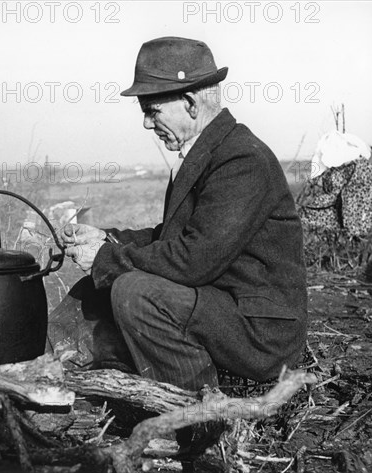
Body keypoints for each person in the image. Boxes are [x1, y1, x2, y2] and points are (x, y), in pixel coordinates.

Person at [61, 37, 308, 394]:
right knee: (93, 289)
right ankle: (44, 370)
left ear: (190, 103)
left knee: (134, 291)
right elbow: (175, 235)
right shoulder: (209, 152)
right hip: (224, 308)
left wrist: (105, 258)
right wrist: (107, 238)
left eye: (153, 110)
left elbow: (193, 260)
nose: (147, 124)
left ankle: (194, 412)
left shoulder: (242, 160)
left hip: (260, 334)